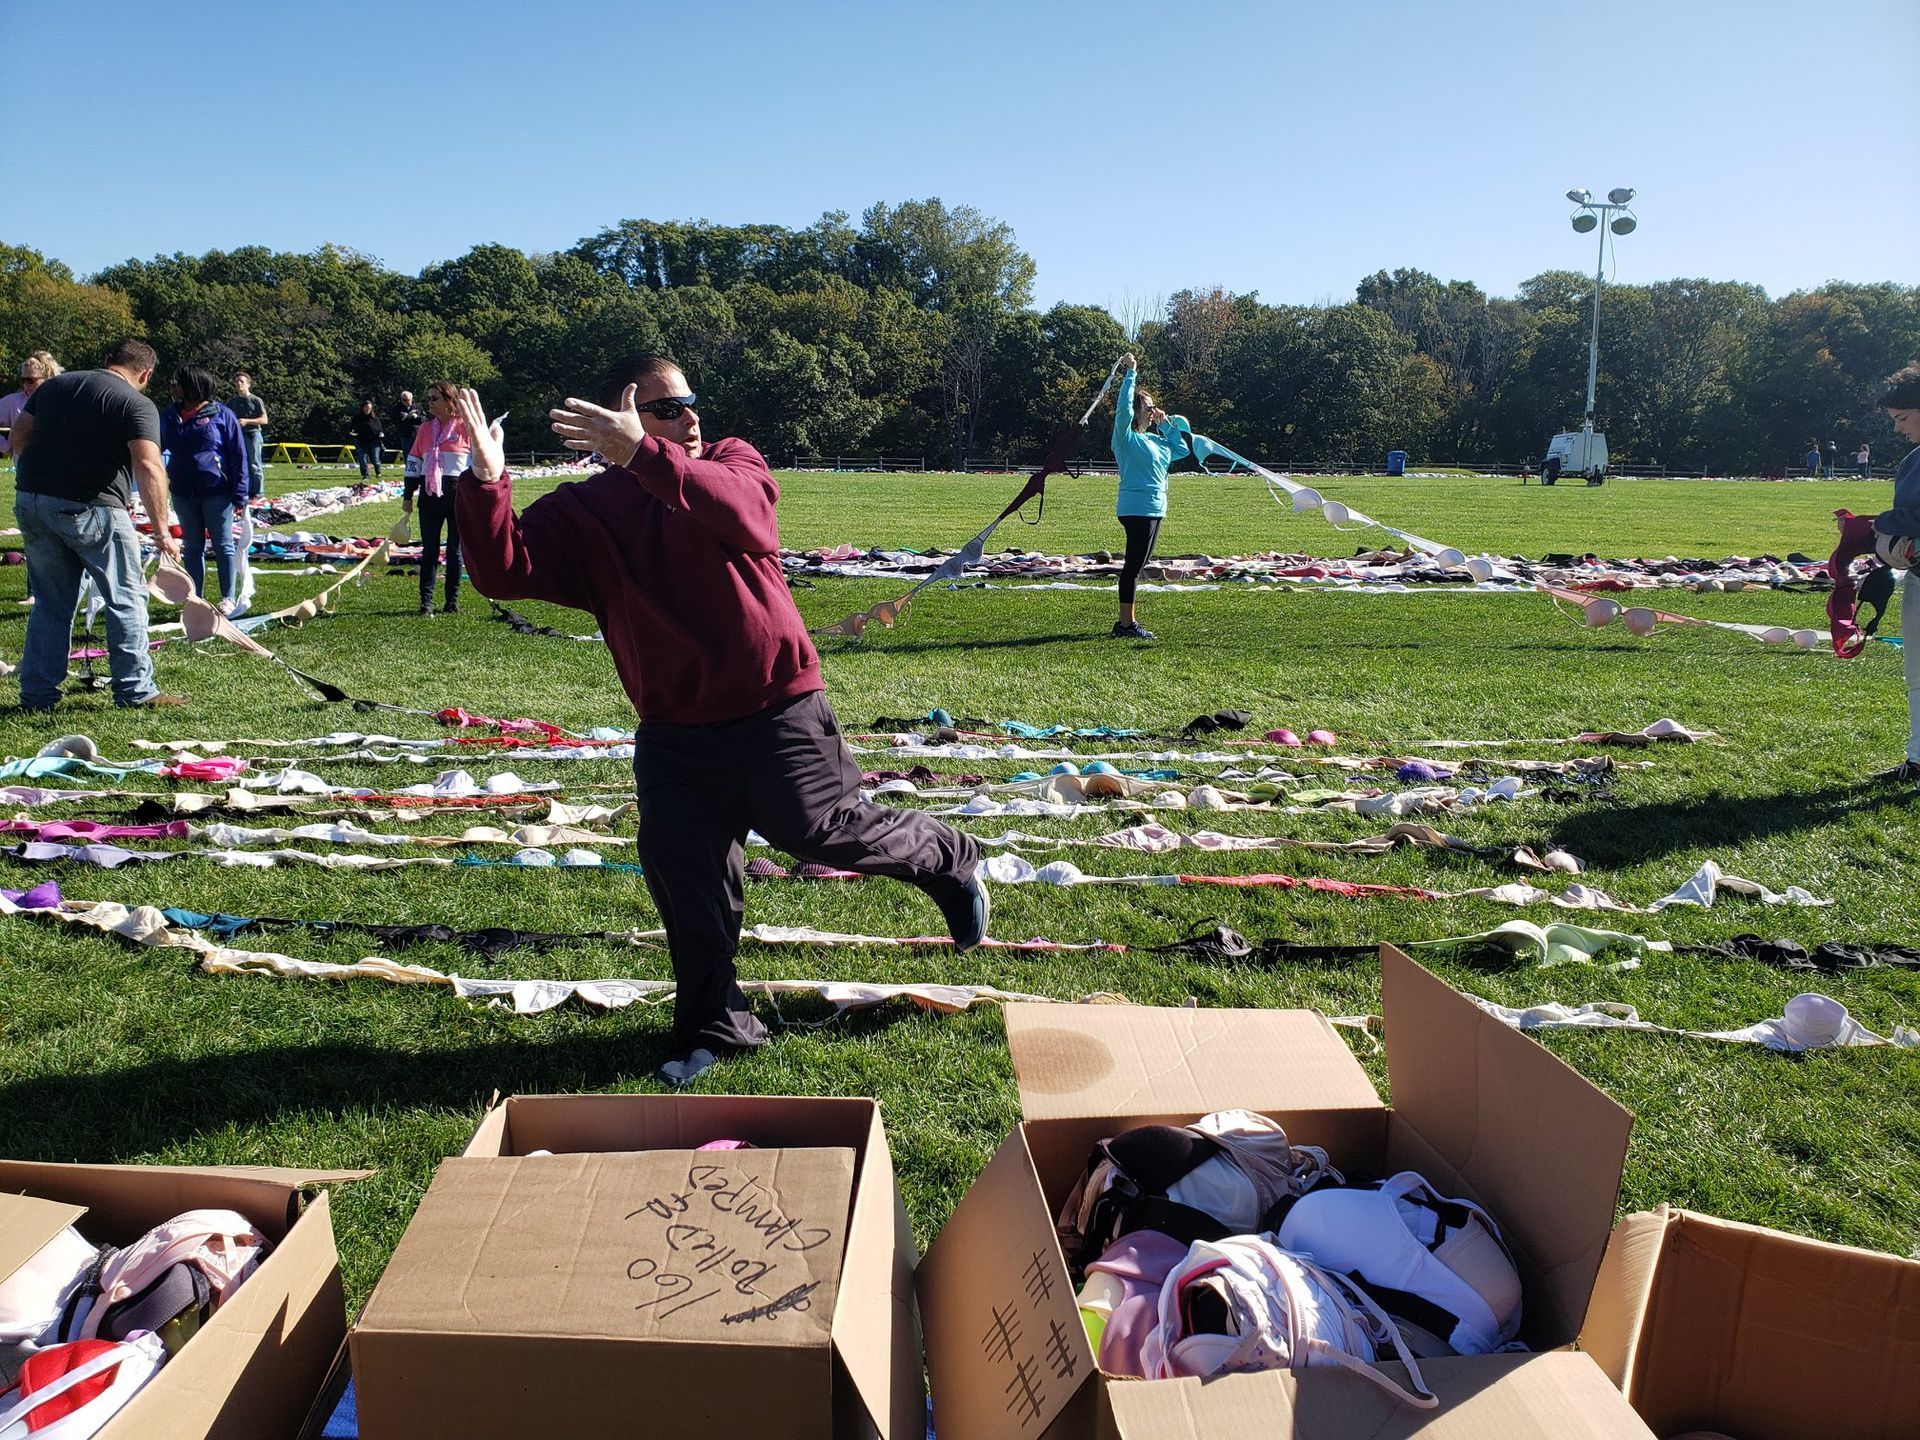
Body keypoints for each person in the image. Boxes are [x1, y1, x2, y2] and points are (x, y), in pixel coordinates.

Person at [453, 353, 989, 1085]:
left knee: (824, 833)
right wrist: (486, 482)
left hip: (779, 708)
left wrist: (648, 452)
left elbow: (748, 514)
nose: (691, 418)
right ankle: (716, 1025)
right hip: (673, 732)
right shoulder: (586, 510)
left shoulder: (733, 461)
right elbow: (503, 570)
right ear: (619, 418)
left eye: (690, 403)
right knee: (686, 877)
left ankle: (949, 857)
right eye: (668, 408)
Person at [9, 339, 183, 709]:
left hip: (33, 501)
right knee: (126, 599)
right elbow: (149, 466)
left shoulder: (55, 386)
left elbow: (19, 436)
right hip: (95, 508)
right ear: (145, 374)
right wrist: (164, 530)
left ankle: (37, 695)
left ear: (107, 362)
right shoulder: (135, 403)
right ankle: (136, 690)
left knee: (51, 604)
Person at [159, 365, 251, 613]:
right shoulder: (169, 416)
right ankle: (194, 597)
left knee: (222, 544)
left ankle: (227, 597)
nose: (173, 386)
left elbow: (239, 455)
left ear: (193, 385)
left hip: (217, 491)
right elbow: (154, 446)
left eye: (177, 382)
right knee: (192, 546)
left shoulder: (222, 414)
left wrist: (240, 492)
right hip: (182, 491)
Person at [1108, 352, 1186, 640]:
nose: (1153, 411)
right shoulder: (1126, 438)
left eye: (1155, 406)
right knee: (1133, 567)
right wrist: (1131, 374)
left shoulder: (1157, 439)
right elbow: (1122, 411)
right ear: (1137, 410)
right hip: (1136, 507)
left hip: (1155, 508)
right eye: (1148, 407)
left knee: (1138, 565)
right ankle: (1126, 624)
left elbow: (1181, 451)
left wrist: (1166, 425)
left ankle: (1126, 623)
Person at [1872, 365, 1920, 784]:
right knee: (1918, 673)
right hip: (1919, 578)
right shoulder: (1913, 459)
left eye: (1903, 418)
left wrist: (1886, 521)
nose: (1899, 428)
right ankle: (1918, 759)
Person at [407, 382, 470, 614]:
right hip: (429, 498)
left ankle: (452, 602)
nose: (430, 402)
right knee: (429, 551)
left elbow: (476, 467)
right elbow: (414, 464)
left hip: (457, 499)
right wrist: (407, 495)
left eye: (435, 398)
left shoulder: (465, 429)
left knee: (455, 552)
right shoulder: (424, 429)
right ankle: (426, 602)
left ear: (449, 400)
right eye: (429, 398)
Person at [229, 373, 268, 611]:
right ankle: (243, 492)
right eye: (237, 382)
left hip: (252, 434)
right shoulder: (232, 402)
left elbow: (264, 419)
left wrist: (247, 421)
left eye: (242, 382)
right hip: (238, 436)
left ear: (249, 384)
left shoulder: (255, 400)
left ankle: (258, 492)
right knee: (240, 465)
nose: (239, 385)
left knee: (254, 465)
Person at [0, 352, 62, 463]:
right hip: (27, 474)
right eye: (23, 380)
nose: (26, 385)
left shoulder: (62, 401)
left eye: (30, 380)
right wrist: (8, 447)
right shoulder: (13, 402)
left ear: (48, 378)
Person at [391, 389, 424, 502]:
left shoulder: (418, 406)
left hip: (418, 435)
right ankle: (411, 476)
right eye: (404, 400)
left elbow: (425, 418)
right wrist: (404, 417)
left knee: (421, 456)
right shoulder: (397, 408)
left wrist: (416, 417)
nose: (406, 402)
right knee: (408, 456)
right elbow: (394, 420)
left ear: (412, 399)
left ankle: (421, 474)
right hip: (406, 435)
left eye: (408, 400)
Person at [350, 399, 385, 479]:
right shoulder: (357, 418)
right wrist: (353, 433)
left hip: (374, 442)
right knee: (362, 459)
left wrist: (381, 434)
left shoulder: (375, 418)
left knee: (375, 459)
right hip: (361, 441)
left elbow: (380, 429)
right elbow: (352, 428)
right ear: (362, 408)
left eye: (369, 408)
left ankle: (378, 471)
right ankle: (365, 475)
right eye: (366, 408)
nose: (367, 409)